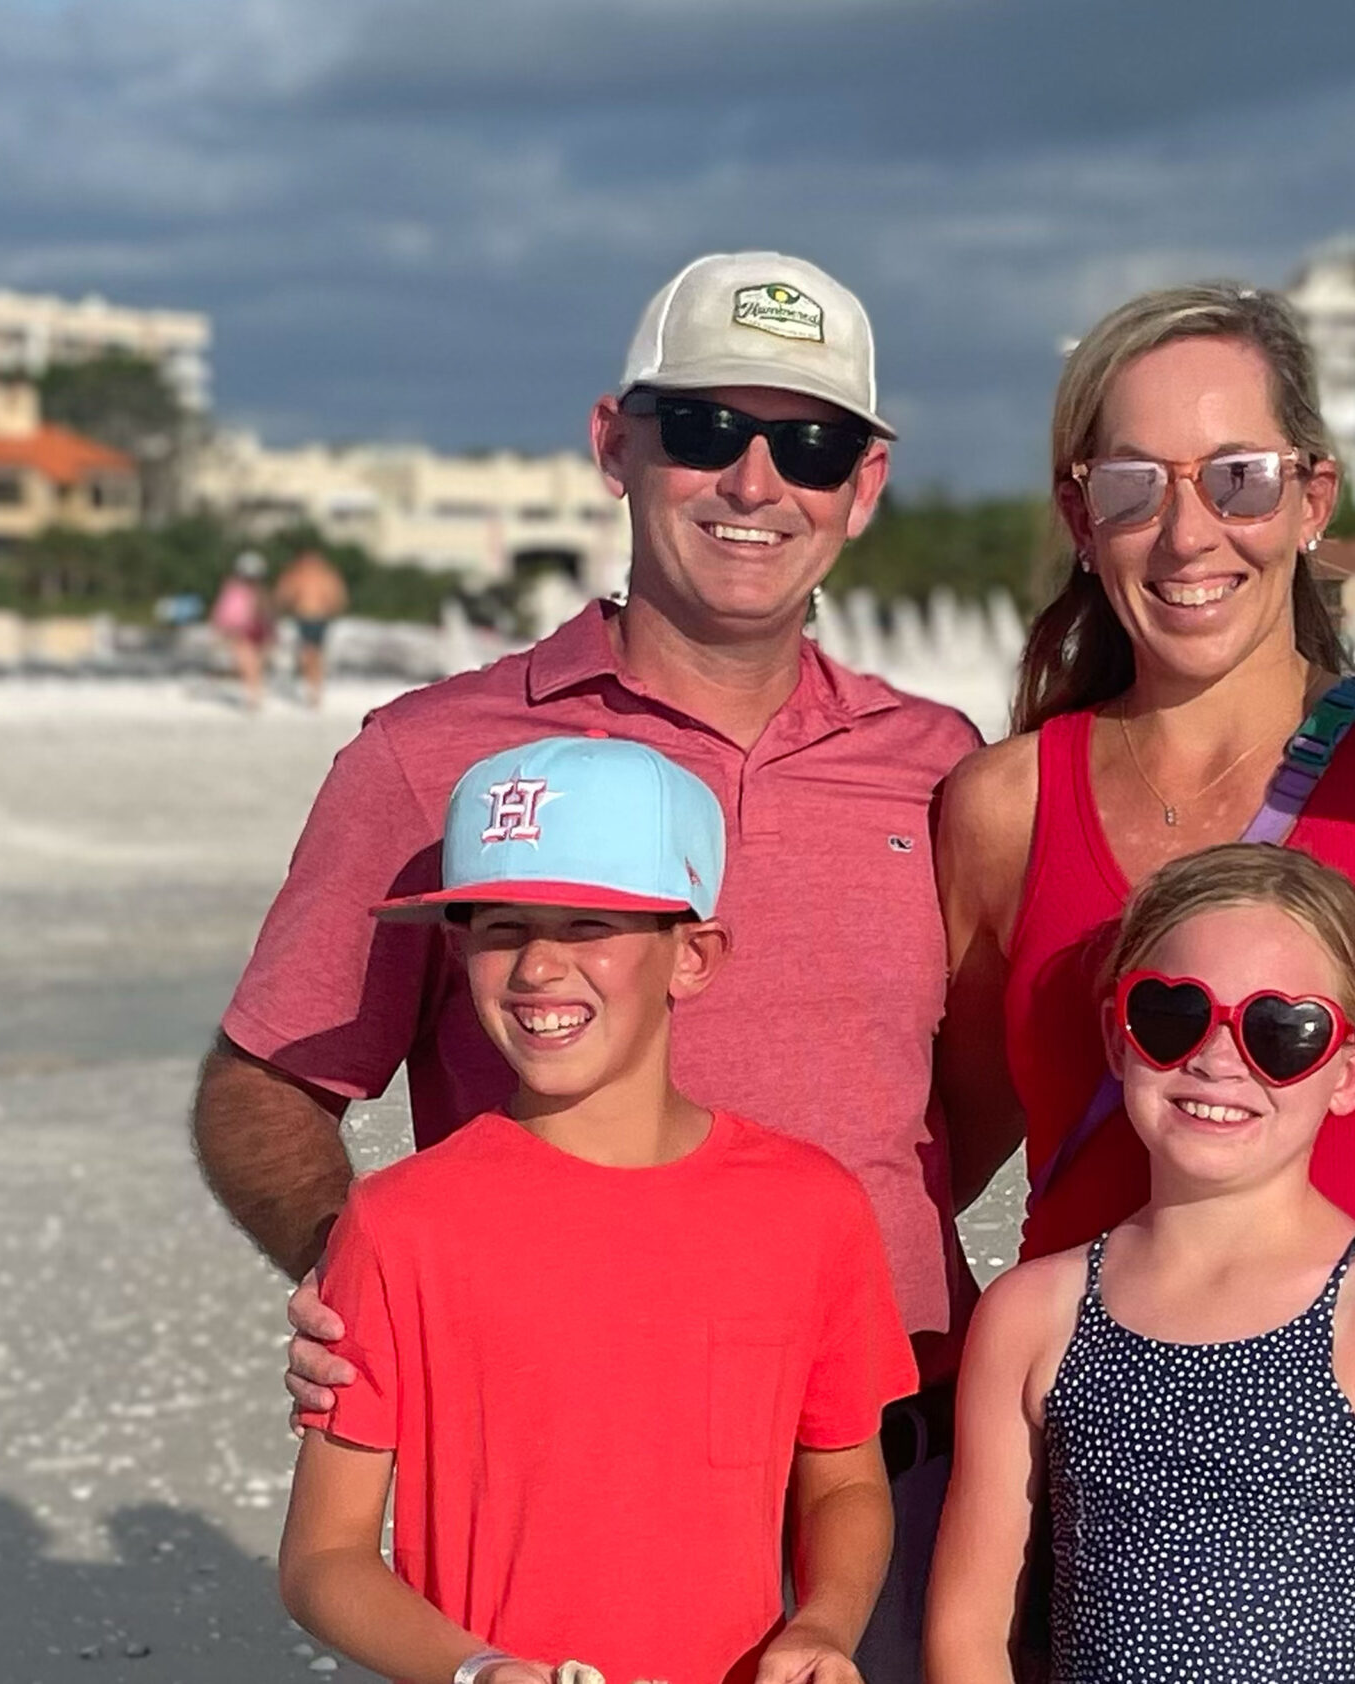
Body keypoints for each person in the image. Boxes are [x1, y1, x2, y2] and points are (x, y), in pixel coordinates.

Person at [196, 252, 980, 1681]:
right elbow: (267, 1083)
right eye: (703, 430)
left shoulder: (941, 769)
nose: (755, 482)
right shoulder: (429, 758)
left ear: (863, 486)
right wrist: (361, 1287)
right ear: (614, 441)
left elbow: (971, 1096)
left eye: (806, 444)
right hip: (552, 1480)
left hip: (895, 1467)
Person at [935, 283, 1355, 1278]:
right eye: (1134, 485)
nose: (1187, 535)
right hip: (1082, 1426)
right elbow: (926, 1166)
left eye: (1240, 479)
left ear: (1312, 500)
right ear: (1080, 517)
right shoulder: (1005, 808)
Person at [282, 733, 914, 1684]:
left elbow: (848, 1484)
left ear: (692, 956)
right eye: (502, 929)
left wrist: (822, 1626)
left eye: (589, 927)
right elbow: (323, 1560)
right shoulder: (400, 1223)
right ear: (459, 953)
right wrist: (480, 1671)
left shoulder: (813, 1208)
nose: (538, 968)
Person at [926, 844, 1355, 1684]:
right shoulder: (1033, 1315)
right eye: (1173, 1016)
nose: (1218, 1059)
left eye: (1282, 1032)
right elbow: (968, 1635)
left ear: (1351, 1073)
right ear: (1117, 1034)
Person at [275, 544, 350, 709]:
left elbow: (284, 593)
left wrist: (283, 606)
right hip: (316, 616)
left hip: (309, 616)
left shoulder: (300, 573)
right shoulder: (323, 573)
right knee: (314, 652)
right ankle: (315, 688)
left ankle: (314, 688)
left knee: (310, 652)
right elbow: (338, 595)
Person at [210, 550, 273, 710]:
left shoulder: (238, 590)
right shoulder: (249, 591)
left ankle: (253, 696)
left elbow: (223, 613)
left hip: (251, 629)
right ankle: (254, 696)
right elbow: (225, 613)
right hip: (248, 630)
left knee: (251, 665)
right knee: (251, 665)